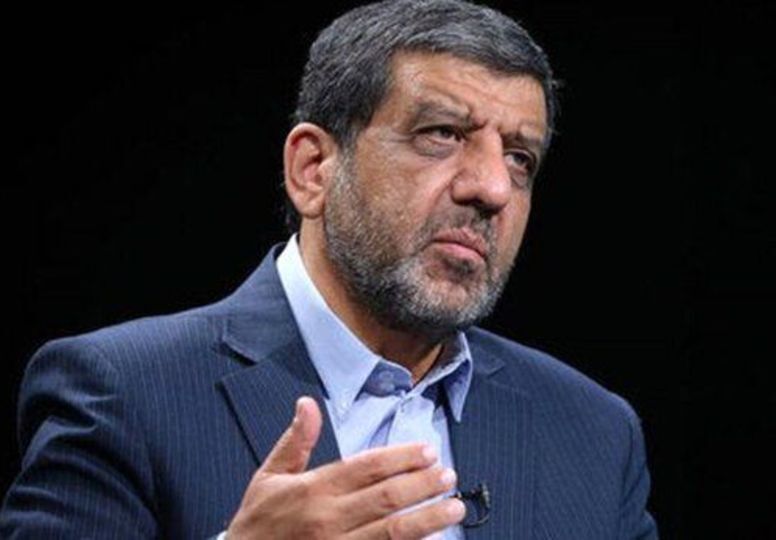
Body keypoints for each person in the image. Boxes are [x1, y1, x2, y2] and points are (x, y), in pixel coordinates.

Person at [1, 1, 658, 538]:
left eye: (520, 158)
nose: (491, 188)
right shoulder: (121, 393)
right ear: (313, 169)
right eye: (442, 134)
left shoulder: (594, 433)